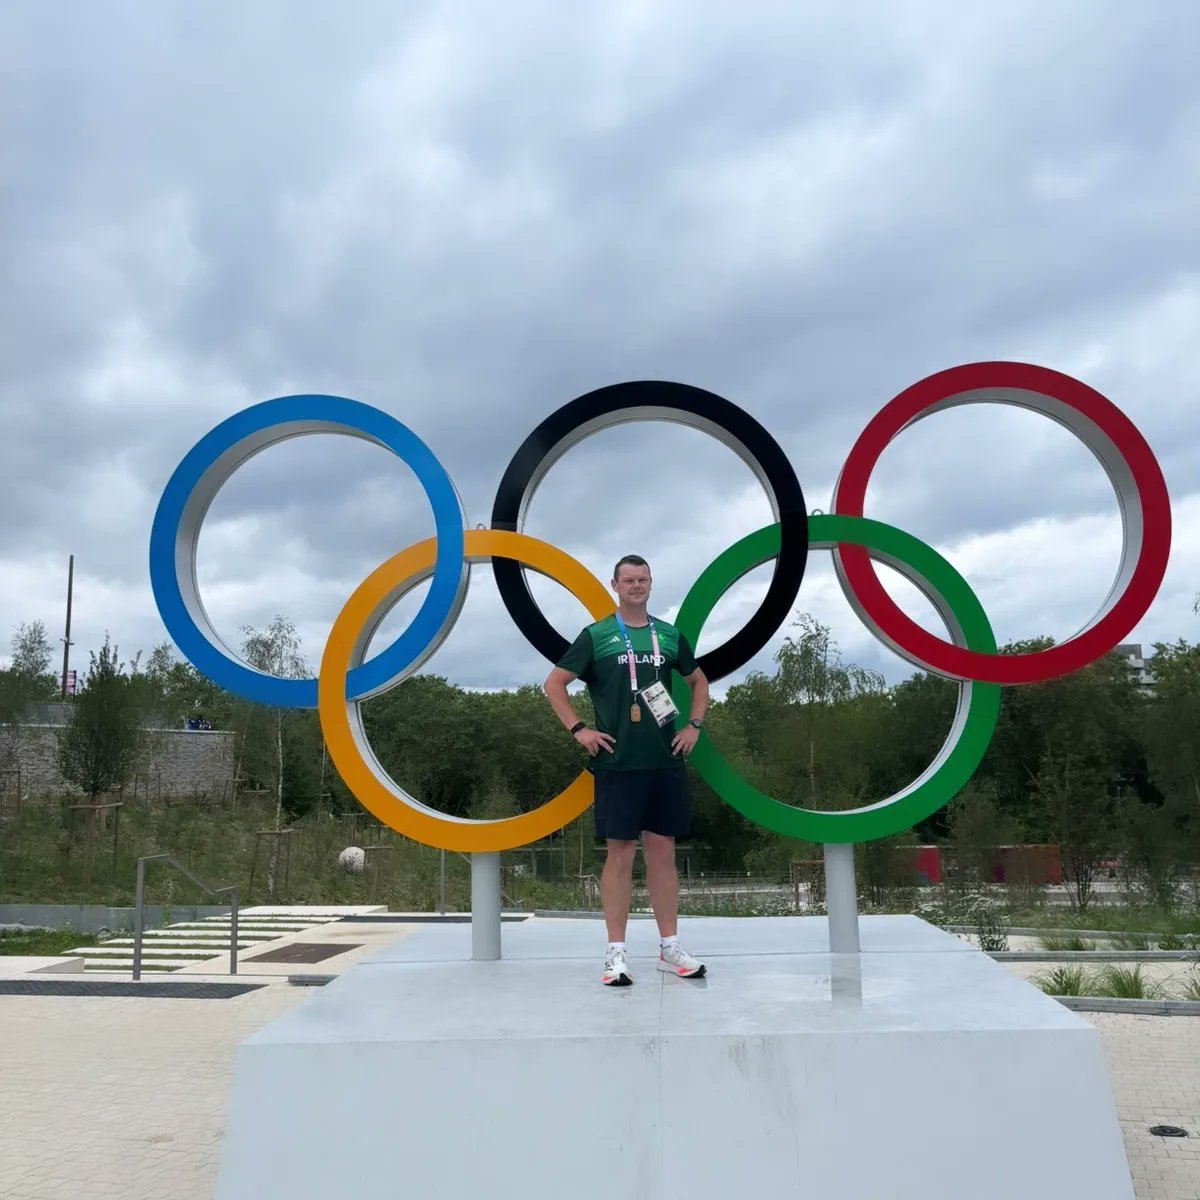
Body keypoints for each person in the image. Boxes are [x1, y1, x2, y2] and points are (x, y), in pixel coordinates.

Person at [543, 554, 710, 986]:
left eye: (643, 579)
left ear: (651, 584)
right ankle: (616, 953)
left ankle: (669, 946)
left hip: (664, 760)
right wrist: (579, 729)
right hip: (617, 763)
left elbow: (698, 682)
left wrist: (693, 725)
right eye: (629, 580)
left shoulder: (668, 635)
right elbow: (554, 683)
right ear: (615, 585)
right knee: (620, 854)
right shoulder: (597, 635)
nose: (637, 586)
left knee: (663, 853)